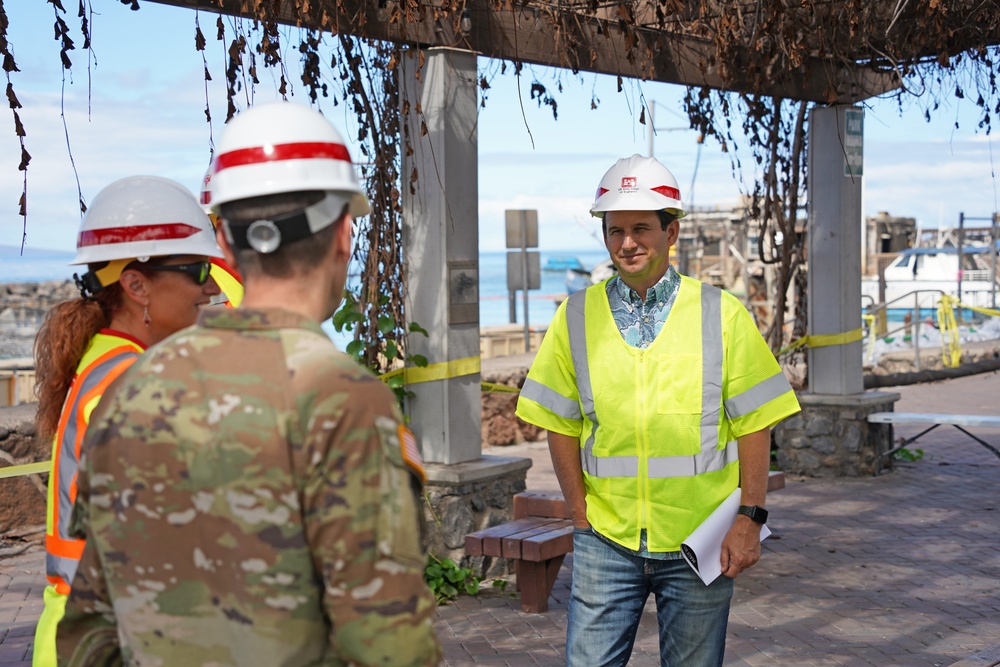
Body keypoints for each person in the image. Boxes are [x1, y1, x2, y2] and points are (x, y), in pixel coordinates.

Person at [56, 102, 442, 667]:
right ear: (343, 234)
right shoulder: (345, 399)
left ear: (227, 248)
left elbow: (88, 626)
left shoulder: (131, 390)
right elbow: (389, 645)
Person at [515, 154, 801, 667]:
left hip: (700, 537)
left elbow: (757, 421)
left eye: (641, 228)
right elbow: (558, 422)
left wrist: (750, 517)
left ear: (671, 234)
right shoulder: (575, 317)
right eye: (615, 230)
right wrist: (580, 514)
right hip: (607, 538)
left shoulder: (722, 314)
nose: (627, 243)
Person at [31, 175, 224, 667]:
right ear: (136, 284)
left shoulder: (104, 359)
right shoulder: (133, 383)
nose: (210, 287)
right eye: (198, 268)